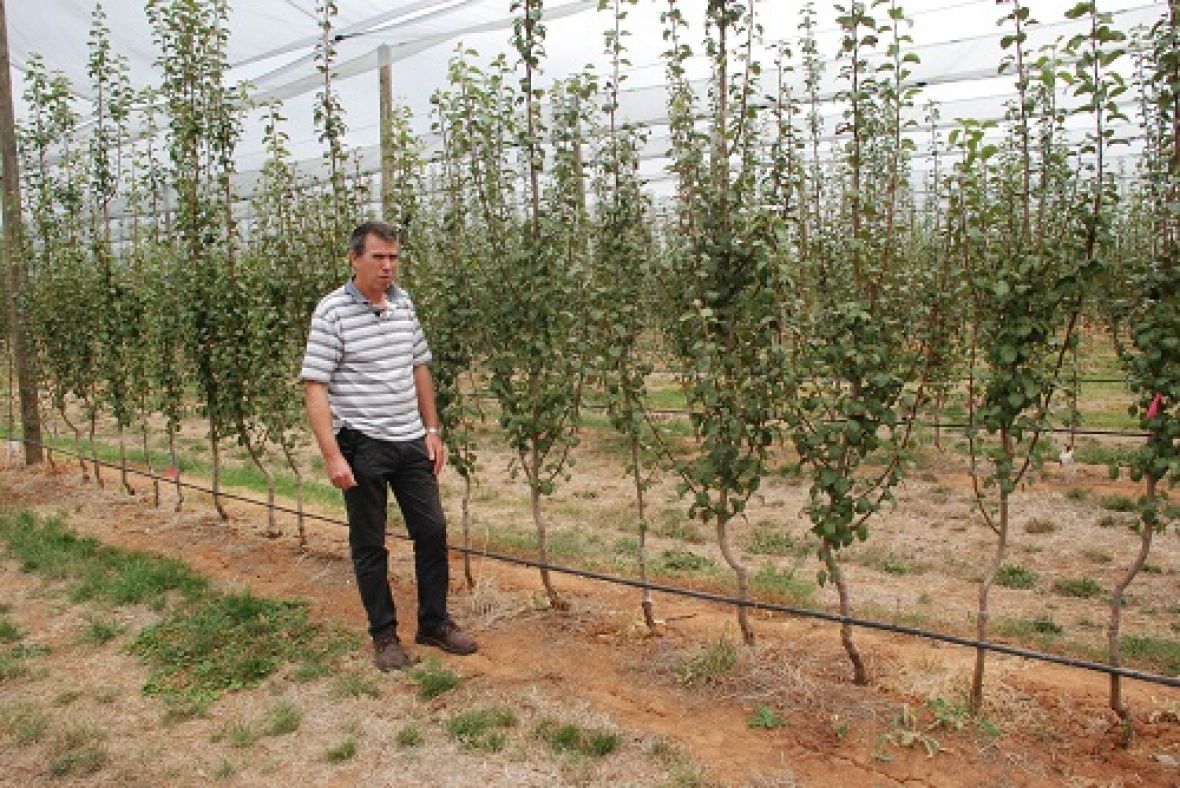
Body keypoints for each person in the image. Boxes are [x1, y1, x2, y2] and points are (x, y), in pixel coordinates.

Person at [301, 220, 477, 670]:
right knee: (369, 542)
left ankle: (434, 623)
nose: (387, 266)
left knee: (432, 530)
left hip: (408, 440)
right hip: (362, 443)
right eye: (378, 257)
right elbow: (316, 387)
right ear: (354, 259)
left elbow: (419, 367)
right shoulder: (332, 312)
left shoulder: (403, 306)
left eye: (394, 257)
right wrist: (332, 455)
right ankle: (384, 635)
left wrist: (432, 430)